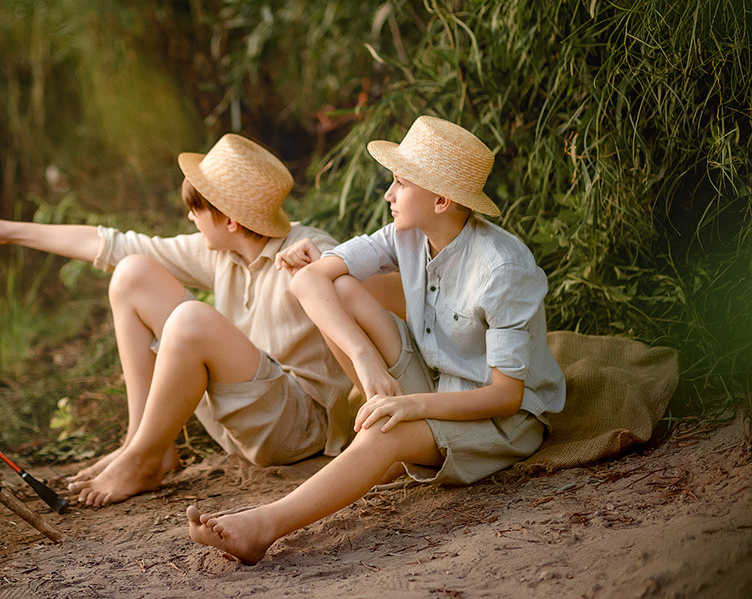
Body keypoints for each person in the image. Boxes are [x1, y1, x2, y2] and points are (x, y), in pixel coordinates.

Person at [186, 116, 565, 563]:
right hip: (434, 381)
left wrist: (411, 406)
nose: (388, 194)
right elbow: (309, 282)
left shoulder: (503, 269)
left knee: (388, 429)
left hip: (498, 421)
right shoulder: (406, 235)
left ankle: (264, 525)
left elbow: (505, 396)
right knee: (341, 288)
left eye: (401, 183)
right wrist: (365, 360)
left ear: (442, 199)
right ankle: (381, 441)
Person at [0, 134, 389, 507]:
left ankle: (141, 458)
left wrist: (320, 272)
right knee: (132, 272)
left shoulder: (310, 249)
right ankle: (144, 445)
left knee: (192, 319)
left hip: (299, 430)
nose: (190, 218)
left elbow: (385, 291)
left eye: (197, 210)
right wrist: (4, 229)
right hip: (247, 415)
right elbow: (111, 245)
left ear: (230, 219)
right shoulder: (227, 251)